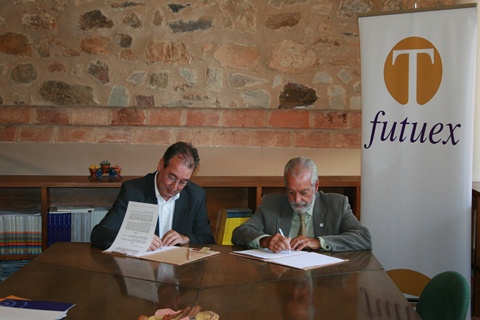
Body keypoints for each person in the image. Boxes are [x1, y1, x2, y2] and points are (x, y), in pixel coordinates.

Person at [91, 141, 215, 250]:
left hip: (179, 273)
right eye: (172, 177)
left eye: (183, 182)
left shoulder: (196, 195)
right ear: (161, 165)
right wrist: (136, 240)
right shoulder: (133, 191)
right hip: (140, 269)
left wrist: (186, 238)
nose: (175, 187)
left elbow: (207, 240)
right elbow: (100, 233)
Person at [231, 157, 371, 252]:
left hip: (324, 281)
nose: (297, 200)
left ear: (316, 186)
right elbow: (239, 233)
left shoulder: (337, 205)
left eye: (304, 192)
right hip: (281, 279)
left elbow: (363, 237)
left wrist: (319, 242)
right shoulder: (271, 203)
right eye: (291, 192)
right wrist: (266, 241)